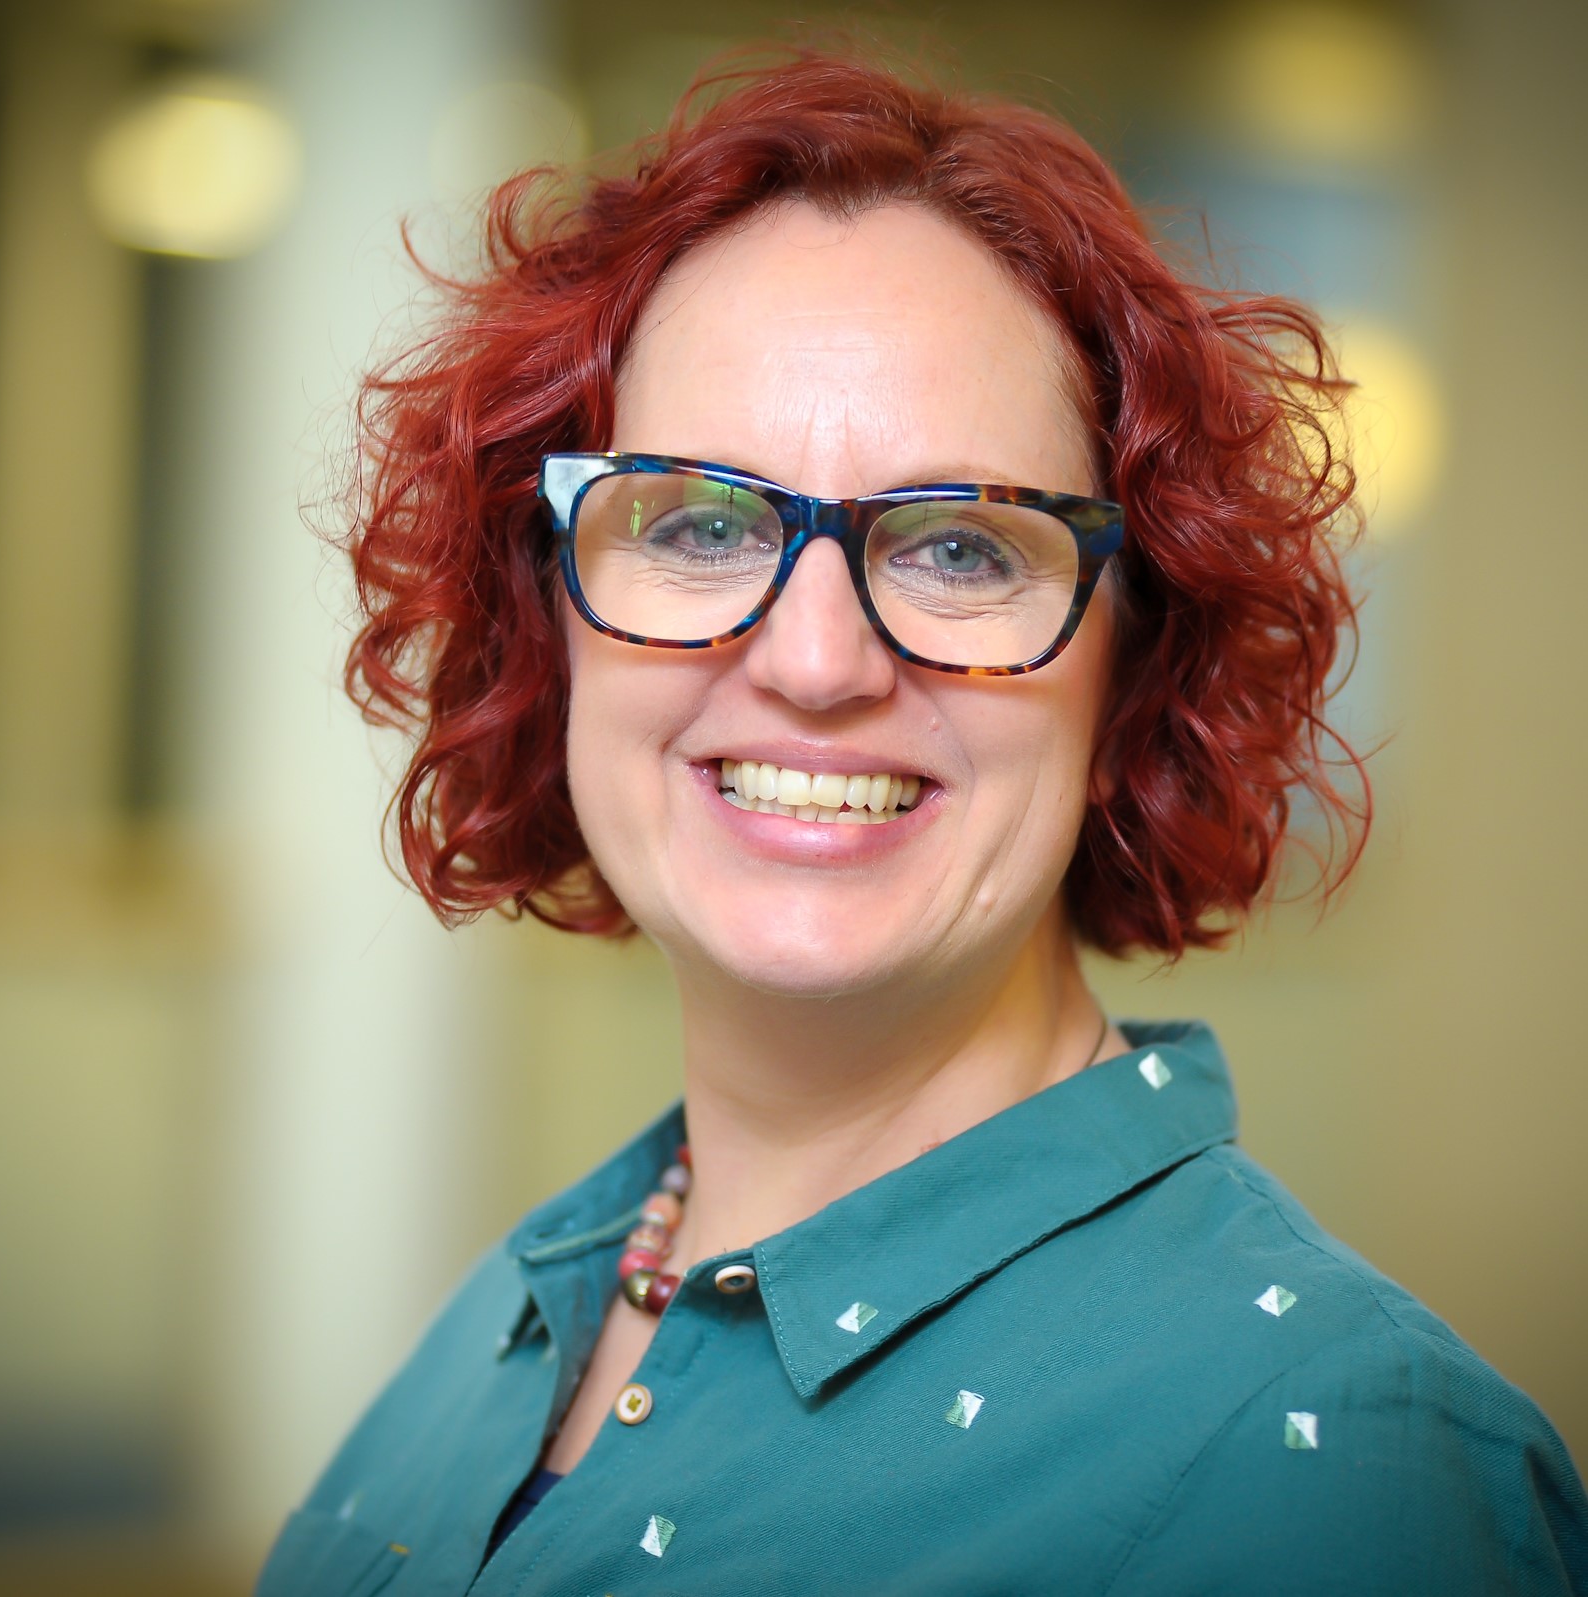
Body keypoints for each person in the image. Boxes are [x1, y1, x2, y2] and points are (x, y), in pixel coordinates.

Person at [255, 47, 1587, 1596]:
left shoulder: (1345, 1468)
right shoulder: (518, 1315)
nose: (816, 662)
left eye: (959, 548)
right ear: (550, 630)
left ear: (1131, 672)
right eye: (695, 521)